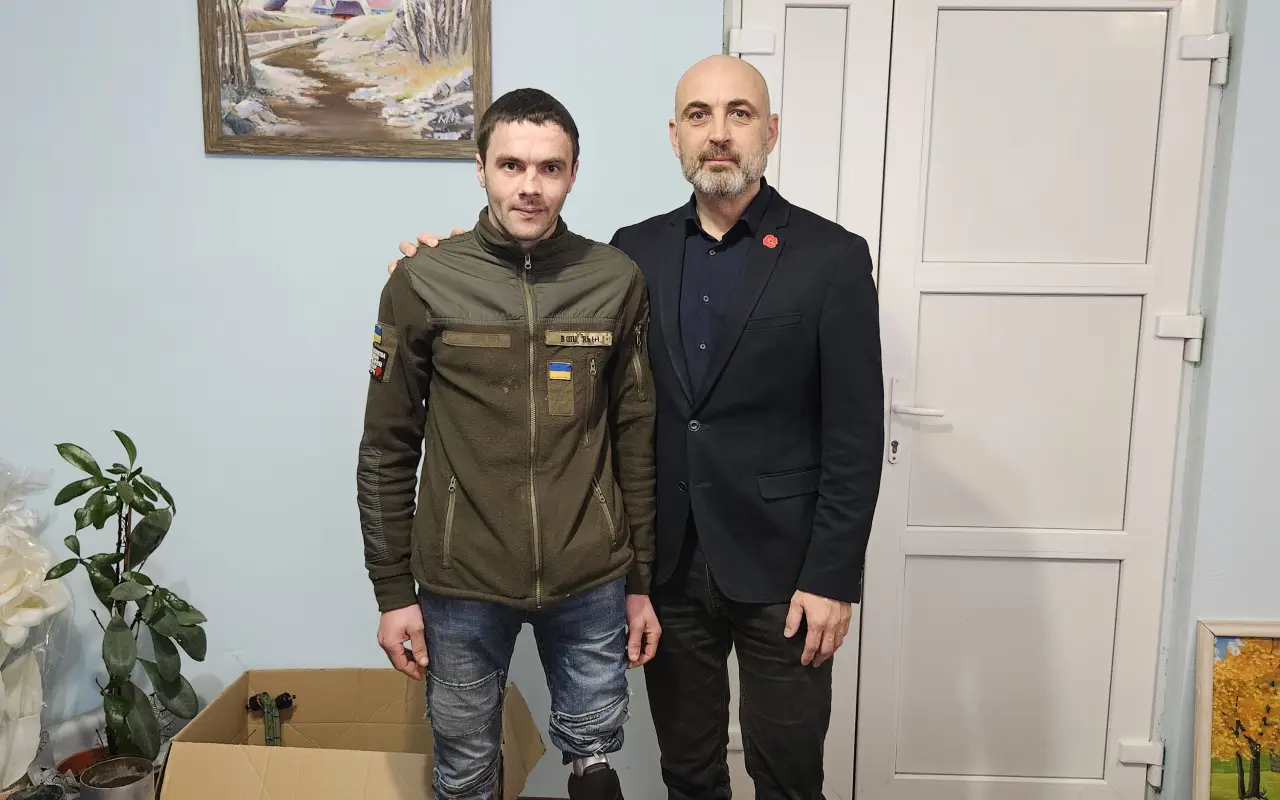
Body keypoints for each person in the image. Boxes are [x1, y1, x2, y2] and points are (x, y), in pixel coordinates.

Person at [391, 55, 884, 800]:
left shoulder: (832, 257)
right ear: (675, 136)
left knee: (788, 774)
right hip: (670, 570)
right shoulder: (633, 254)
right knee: (687, 771)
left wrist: (832, 577)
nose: (719, 133)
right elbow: (544, 300)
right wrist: (453, 264)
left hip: (786, 573)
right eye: (699, 115)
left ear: (771, 131)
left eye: (740, 113)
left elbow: (855, 433)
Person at [357, 87, 661, 800]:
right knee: (465, 770)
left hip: (590, 573)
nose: (530, 186)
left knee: (595, 761)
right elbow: (387, 447)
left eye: (550, 168)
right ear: (481, 169)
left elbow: (635, 436)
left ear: (573, 173)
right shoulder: (425, 281)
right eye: (512, 165)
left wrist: (640, 581)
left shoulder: (614, 280)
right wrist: (393, 592)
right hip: (460, 580)